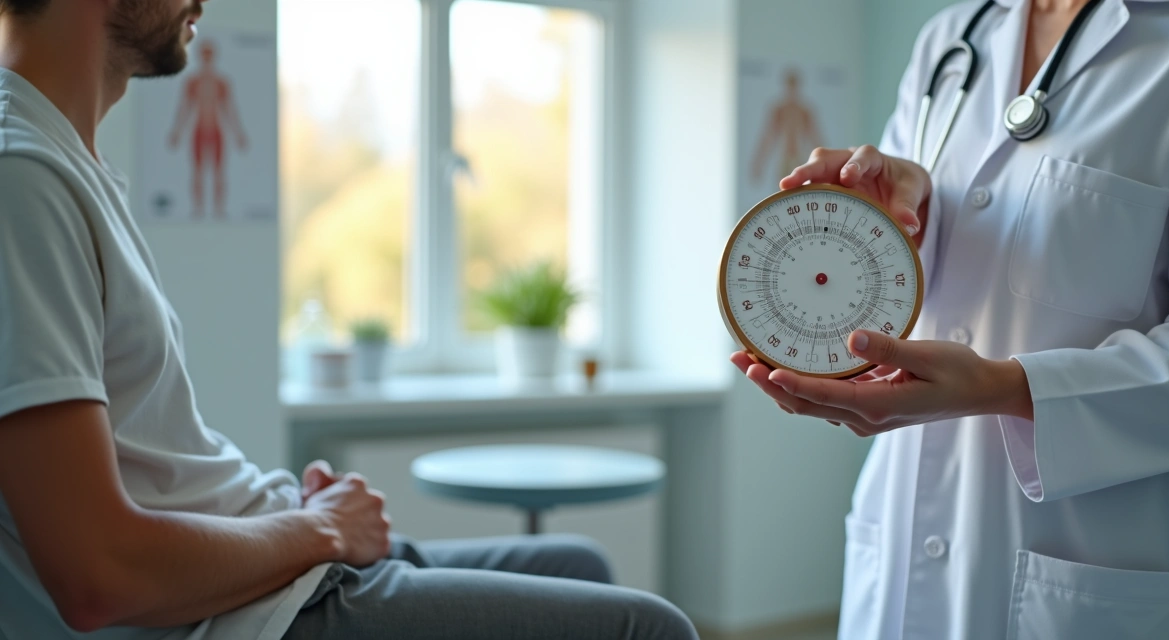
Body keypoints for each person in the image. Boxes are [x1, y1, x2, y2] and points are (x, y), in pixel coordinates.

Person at [0, 1, 697, 639]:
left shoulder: (68, 163)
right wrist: (320, 531)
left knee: (580, 562)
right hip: (244, 615)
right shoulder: (22, 179)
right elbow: (97, 576)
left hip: (267, 551)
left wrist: (302, 523)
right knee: (652, 629)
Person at [732, 0, 1169, 638]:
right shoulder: (951, 37)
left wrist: (1002, 387)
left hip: (1094, 563)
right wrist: (906, 208)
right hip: (906, 526)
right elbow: (933, 257)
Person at [167, 39, 246, 219]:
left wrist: (238, 133)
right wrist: (177, 132)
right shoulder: (193, 82)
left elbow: (229, 109)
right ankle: (198, 208)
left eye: (209, 55)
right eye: (204, 54)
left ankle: (218, 209)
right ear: (200, 56)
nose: (207, 58)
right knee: (198, 171)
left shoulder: (221, 82)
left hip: (216, 130)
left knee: (219, 171)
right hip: (199, 130)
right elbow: (185, 108)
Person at [750, 69, 824, 188]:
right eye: (790, 85)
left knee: (800, 192)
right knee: (782, 192)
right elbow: (768, 137)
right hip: (784, 158)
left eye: (794, 85)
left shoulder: (804, 111)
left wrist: (823, 165)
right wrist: (759, 163)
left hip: (800, 158)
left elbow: (815, 138)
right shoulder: (779, 110)